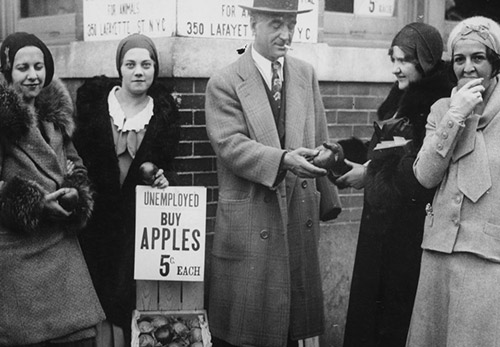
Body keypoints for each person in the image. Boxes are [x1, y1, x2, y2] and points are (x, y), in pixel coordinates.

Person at [205, 0, 342, 346]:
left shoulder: (304, 73)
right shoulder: (225, 81)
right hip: (251, 213)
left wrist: (327, 183)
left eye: (291, 25)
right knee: (248, 327)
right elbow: (230, 145)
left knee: (292, 326)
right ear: (252, 23)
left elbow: (319, 130)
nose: (286, 34)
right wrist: (283, 160)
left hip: (297, 209)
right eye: (276, 25)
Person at [338, 23, 453, 347]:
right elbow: (383, 151)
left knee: (392, 321)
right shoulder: (401, 96)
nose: (396, 68)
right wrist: (340, 152)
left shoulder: (438, 104)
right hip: (380, 229)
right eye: (394, 58)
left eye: (403, 60)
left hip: (408, 235)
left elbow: (416, 171)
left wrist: (369, 174)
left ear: (426, 60)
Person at [73, 33, 180, 346]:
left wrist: (161, 180)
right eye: (130, 64)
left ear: (154, 69)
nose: (138, 71)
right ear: (119, 68)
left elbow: (166, 164)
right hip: (96, 218)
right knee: (95, 289)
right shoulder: (96, 106)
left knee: (125, 291)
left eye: (146, 64)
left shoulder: (162, 115)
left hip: (134, 220)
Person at [0, 32, 104, 346]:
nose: (32, 75)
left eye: (39, 66)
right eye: (22, 68)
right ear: (7, 73)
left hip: (61, 244)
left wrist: (75, 192)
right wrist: (35, 203)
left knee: (79, 336)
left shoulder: (56, 117)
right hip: (17, 250)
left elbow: (76, 164)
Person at [407, 16, 500, 347]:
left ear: (494, 63)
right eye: (459, 59)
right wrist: (455, 116)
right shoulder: (441, 109)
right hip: (438, 255)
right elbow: (425, 175)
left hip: (488, 261)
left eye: (478, 58)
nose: (468, 68)